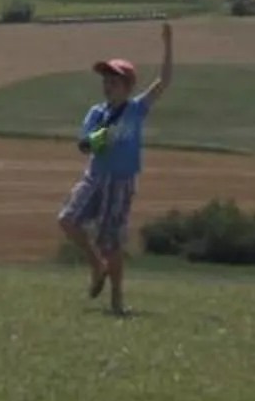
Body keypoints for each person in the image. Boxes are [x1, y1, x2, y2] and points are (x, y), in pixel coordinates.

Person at [57, 20, 172, 315]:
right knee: (67, 220)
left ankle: (117, 300)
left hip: (121, 181)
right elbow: (84, 145)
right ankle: (96, 265)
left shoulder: (136, 109)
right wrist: (100, 138)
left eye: (114, 80)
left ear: (128, 86)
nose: (108, 85)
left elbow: (164, 82)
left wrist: (168, 44)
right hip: (94, 176)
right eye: (105, 80)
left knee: (111, 242)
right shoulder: (96, 113)